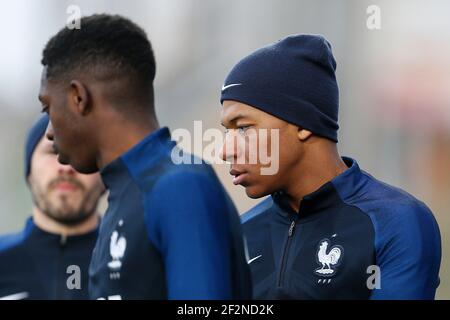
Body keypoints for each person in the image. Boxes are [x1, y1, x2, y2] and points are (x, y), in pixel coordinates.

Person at [39, 14, 251, 299]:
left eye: (47, 108)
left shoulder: (180, 188)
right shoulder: (125, 193)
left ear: (79, 97)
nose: (49, 132)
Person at [219, 34, 441, 299]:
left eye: (243, 128)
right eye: (227, 132)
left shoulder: (395, 221)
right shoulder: (238, 234)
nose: (225, 151)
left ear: (302, 123)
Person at [0, 114, 104, 300]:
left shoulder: (137, 262)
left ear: (104, 175)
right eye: (53, 151)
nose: (66, 166)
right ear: (29, 171)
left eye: (82, 153)